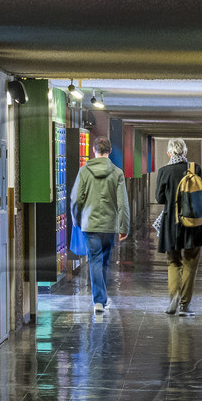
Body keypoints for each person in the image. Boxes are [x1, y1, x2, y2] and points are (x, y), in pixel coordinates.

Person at [69, 134, 129, 315]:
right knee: (104, 261)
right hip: (109, 225)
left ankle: (99, 301)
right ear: (109, 152)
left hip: (90, 224)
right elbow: (122, 203)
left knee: (94, 260)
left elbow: (76, 199)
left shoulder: (84, 171)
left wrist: (76, 219)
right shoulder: (117, 173)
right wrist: (124, 226)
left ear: (94, 151)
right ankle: (101, 298)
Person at [154, 138, 202, 315]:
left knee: (173, 262)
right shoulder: (195, 169)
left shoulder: (164, 171)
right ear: (185, 152)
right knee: (190, 262)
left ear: (169, 153)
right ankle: (184, 306)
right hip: (193, 223)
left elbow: (160, 198)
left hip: (172, 222)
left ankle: (174, 297)